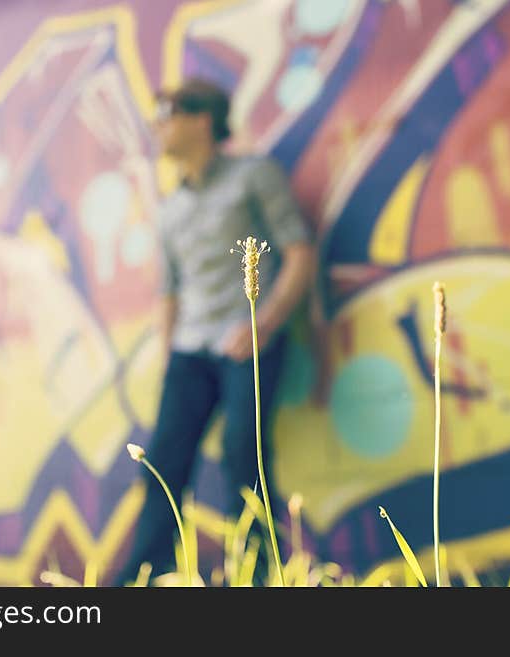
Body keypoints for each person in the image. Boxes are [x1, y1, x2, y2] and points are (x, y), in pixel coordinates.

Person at [114, 78, 315, 586]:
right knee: (162, 463)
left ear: (203, 119)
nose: (157, 124)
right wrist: (167, 356)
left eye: (167, 111)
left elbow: (298, 253)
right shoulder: (170, 208)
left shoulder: (254, 176)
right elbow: (169, 292)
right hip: (189, 352)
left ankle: (257, 574)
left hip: (249, 342)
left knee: (242, 455)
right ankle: (142, 578)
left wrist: (264, 323)